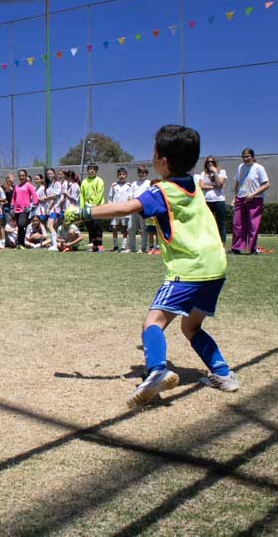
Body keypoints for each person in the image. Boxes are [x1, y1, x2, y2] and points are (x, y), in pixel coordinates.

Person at [81, 124, 238, 407]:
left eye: (153, 152)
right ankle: (222, 373)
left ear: (162, 161)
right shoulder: (193, 183)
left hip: (188, 270)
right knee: (191, 328)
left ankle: (156, 370)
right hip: (216, 268)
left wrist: (83, 212)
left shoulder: (162, 191)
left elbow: (127, 208)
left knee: (152, 322)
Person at [231, 148, 270, 255]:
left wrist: (253, 194)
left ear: (253, 157)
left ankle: (252, 248)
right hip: (240, 198)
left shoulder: (259, 168)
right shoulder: (240, 167)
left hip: (255, 199)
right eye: (244, 157)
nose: (246, 159)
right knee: (237, 223)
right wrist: (235, 197)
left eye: (248, 156)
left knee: (253, 225)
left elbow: (266, 184)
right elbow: (238, 183)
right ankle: (236, 247)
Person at [198, 156, 228, 244]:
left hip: (219, 200)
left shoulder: (221, 172)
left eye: (212, 162)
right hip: (207, 200)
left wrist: (215, 172)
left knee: (221, 223)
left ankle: (222, 244)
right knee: (207, 223)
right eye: (208, 162)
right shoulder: (203, 174)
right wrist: (214, 187)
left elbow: (220, 183)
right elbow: (201, 186)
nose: (210, 163)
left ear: (215, 163)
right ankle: (208, 242)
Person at [11, 169, 38, 249]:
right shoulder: (16, 186)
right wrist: (11, 207)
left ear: (26, 176)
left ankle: (22, 243)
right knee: (19, 227)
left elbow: (34, 195)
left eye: (23, 175)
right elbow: (13, 198)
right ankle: (20, 244)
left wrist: (33, 206)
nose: (21, 177)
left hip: (24, 209)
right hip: (16, 210)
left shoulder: (28, 185)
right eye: (20, 176)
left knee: (21, 224)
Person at [81, 163, 105, 252]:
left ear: (96, 171)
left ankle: (99, 246)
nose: (91, 171)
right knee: (90, 227)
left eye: (93, 169)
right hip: (86, 208)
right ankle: (93, 246)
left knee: (97, 226)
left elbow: (99, 193)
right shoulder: (84, 181)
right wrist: (82, 207)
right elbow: (82, 195)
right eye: (89, 169)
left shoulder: (99, 180)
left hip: (97, 207)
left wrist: (94, 205)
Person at [128, 166, 151, 253]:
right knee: (131, 228)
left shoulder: (148, 183)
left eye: (143, 172)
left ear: (146, 173)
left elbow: (150, 195)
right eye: (140, 172)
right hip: (133, 208)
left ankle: (142, 248)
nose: (141, 174)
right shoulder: (134, 183)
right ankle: (131, 247)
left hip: (143, 209)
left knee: (143, 229)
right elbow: (130, 195)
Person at [109, 167, 132, 252]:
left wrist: (128, 207)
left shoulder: (129, 185)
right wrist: (110, 207)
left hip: (124, 210)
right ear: (117, 175)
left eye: (123, 174)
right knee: (114, 227)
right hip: (115, 209)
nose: (121, 176)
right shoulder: (114, 185)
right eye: (120, 174)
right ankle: (115, 246)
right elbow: (110, 197)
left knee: (124, 228)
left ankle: (123, 246)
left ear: (126, 175)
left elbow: (130, 197)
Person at [43, 168, 62, 251]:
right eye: (48, 174)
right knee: (53, 226)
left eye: (51, 173)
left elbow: (55, 196)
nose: (49, 175)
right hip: (50, 208)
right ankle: (54, 244)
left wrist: (49, 206)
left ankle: (55, 245)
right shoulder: (49, 184)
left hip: (54, 208)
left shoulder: (57, 183)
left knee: (49, 225)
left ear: (54, 174)